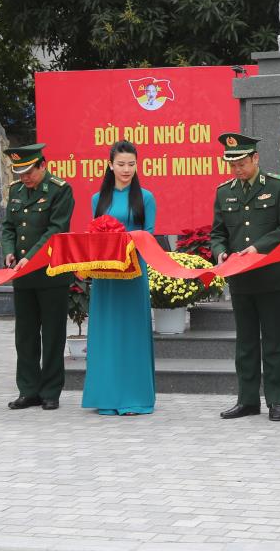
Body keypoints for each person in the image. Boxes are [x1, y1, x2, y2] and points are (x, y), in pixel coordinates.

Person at [210, 133, 280, 421]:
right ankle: (247, 400)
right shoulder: (224, 191)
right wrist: (221, 251)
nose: (237, 170)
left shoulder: (278, 186)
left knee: (273, 340)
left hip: (272, 276)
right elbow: (217, 233)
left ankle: (276, 400)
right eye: (232, 165)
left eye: (242, 164)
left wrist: (258, 247)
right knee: (245, 342)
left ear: (255, 159)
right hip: (240, 278)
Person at [82, 140, 157, 415]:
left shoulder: (145, 198)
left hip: (133, 273)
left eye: (131, 164)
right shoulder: (97, 199)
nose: (127, 169)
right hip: (105, 277)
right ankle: (107, 396)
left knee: (132, 332)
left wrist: (123, 240)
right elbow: (93, 235)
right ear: (110, 165)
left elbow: (148, 235)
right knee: (107, 332)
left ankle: (135, 397)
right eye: (121, 164)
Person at [3, 143, 74, 411]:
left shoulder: (60, 190)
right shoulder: (15, 191)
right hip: (22, 275)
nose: (25, 178)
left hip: (51, 273)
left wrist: (30, 257)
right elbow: (8, 226)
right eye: (20, 173)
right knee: (25, 335)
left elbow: (55, 231)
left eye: (29, 172)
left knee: (53, 334)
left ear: (43, 165)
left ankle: (51, 391)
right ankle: (28, 389)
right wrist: (9, 252)